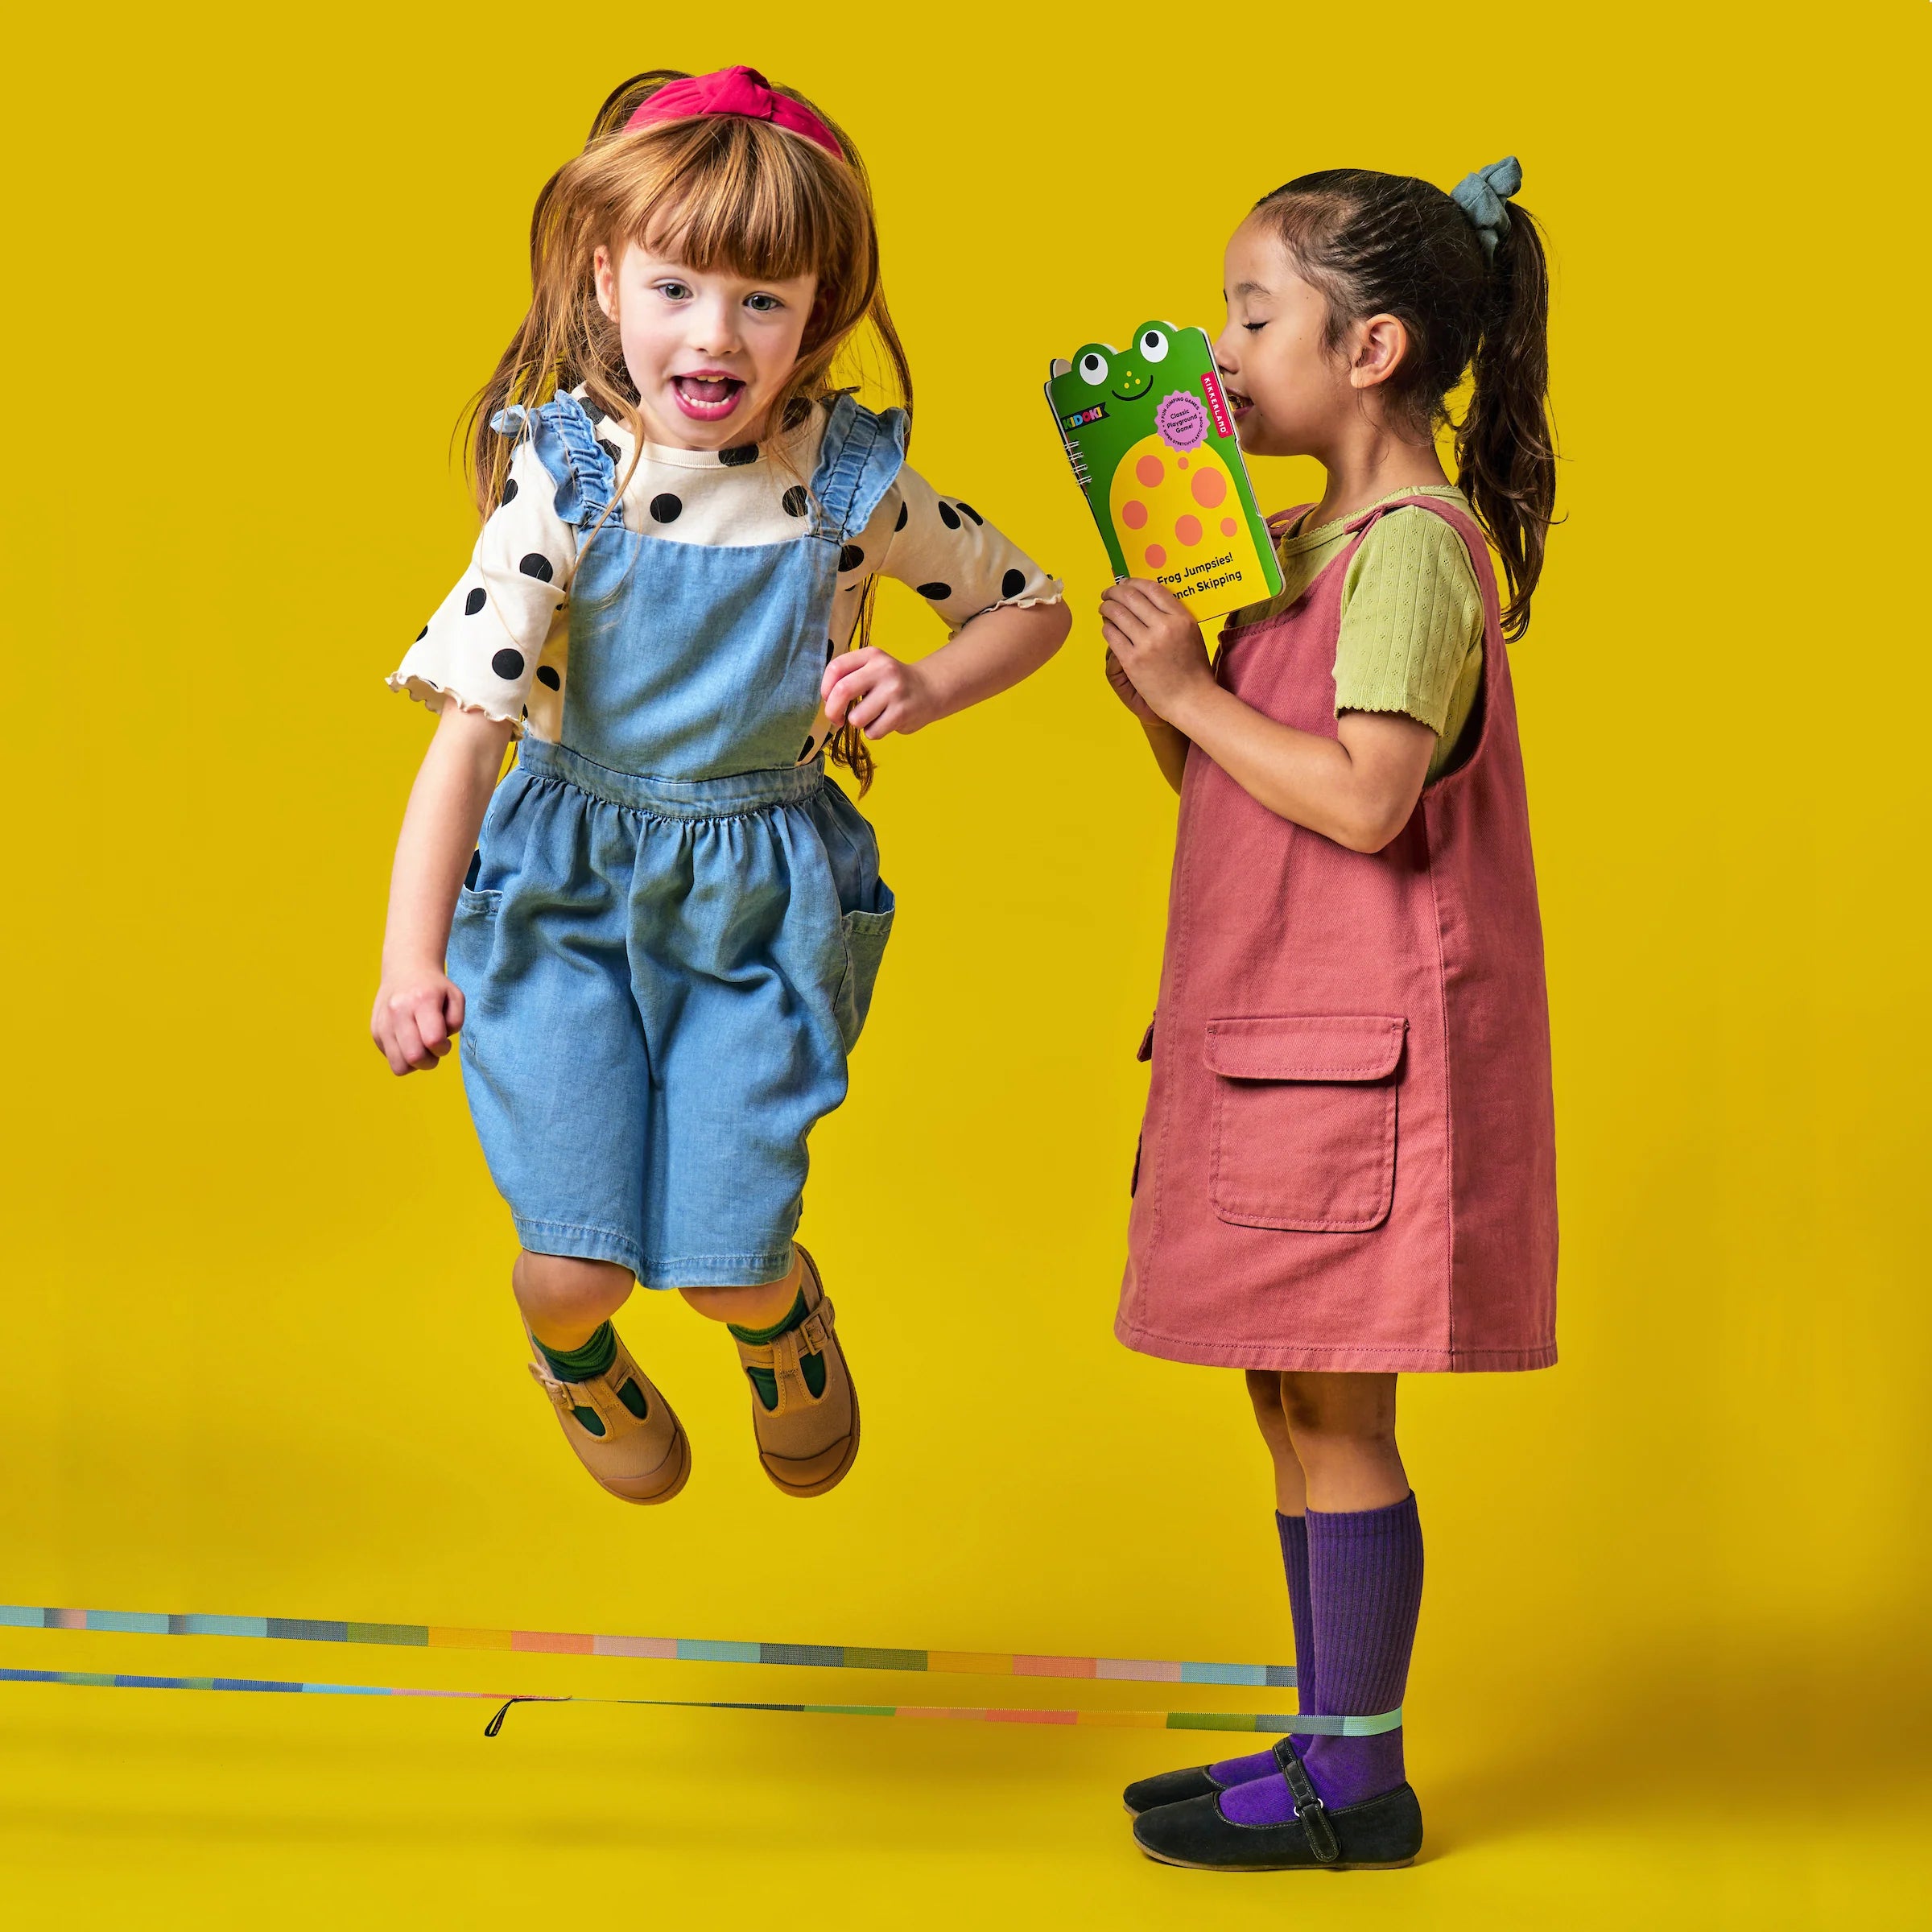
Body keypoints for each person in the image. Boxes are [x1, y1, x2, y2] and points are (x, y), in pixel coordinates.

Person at [372, 67, 1067, 1505]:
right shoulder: (562, 485)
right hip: (563, 897)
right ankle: (572, 1359)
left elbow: (1031, 606)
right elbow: (468, 740)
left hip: (759, 902)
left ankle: (781, 1319)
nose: (715, 333)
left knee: (726, 1267)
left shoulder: (849, 485)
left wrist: (928, 683)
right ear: (606, 279)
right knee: (570, 1271)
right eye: (677, 288)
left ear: (819, 309)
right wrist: (407, 961)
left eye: (763, 299)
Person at [1100, 159, 1558, 1871]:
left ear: (1371, 351)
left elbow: (1366, 801)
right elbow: (1246, 797)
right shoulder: (1296, 547)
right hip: (1282, 1045)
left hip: (1356, 1062)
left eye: (1252, 314)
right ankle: (1322, 1736)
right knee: (1289, 1407)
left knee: (1343, 1418)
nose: (1217, 351)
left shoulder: (1414, 551)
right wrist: (1168, 700)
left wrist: (1190, 692)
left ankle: (1360, 1782)